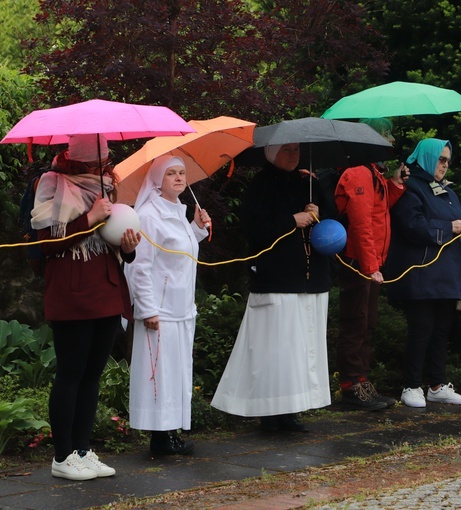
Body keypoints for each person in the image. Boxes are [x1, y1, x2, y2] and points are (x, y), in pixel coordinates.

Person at [31, 134, 141, 480]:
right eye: (94, 164)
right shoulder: (50, 183)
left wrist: (129, 246)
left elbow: (115, 243)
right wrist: (89, 218)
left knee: (93, 375)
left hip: (106, 287)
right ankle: (62, 456)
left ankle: (82, 449)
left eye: (103, 163)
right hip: (71, 290)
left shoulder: (109, 186)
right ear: (76, 160)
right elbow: (47, 243)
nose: (101, 168)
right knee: (71, 373)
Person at [211, 143, 333, 432]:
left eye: (296, 150)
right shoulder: (261, 185)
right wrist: (291, 220)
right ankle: (271, 412)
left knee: (302, 350)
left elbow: (333, 228)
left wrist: (320, 210)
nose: (293, 155)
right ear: (271, 153)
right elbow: (254, 232)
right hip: (278, 280)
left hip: (310, 279)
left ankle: (292, 408)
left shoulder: (309, 184)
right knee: (277, 350)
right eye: (286, 149)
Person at [124, 156, 210, 455]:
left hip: (182, 308)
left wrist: (196, 229)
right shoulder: (148, 215)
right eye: (171, 173)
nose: (178, 178)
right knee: (159, 373)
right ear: (157, 179)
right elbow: (140, 266)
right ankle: (160, 437)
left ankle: (171, 433)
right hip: (161, 310)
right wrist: (147, 309)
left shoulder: (179, 210)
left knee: (176, 373)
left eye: (182, 173)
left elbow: (180, 252)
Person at [385, 138, 461, 408]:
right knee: (421, 328)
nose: (444, 165)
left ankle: (437, 385)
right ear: (427, 157)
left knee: (441, 329)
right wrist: (450, 228)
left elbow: (458, 222)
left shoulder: (448, 191)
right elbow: (411, 225)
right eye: (440, 159)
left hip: (447, 270)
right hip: (420, 271)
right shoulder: (410, 187)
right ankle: (411, 385)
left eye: (447, 160)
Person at [334, 118, 407, 411]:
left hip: (369, 262)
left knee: (367, 323)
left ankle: (361, 381)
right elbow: (361, 224)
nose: (391, 140)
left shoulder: (372, 174)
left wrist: (397, 185)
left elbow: (378, 210)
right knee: (356, 322)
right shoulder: (358, 174)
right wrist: (370, 265)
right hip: (359, 263)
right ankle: (351, 386)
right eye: (386, 134)